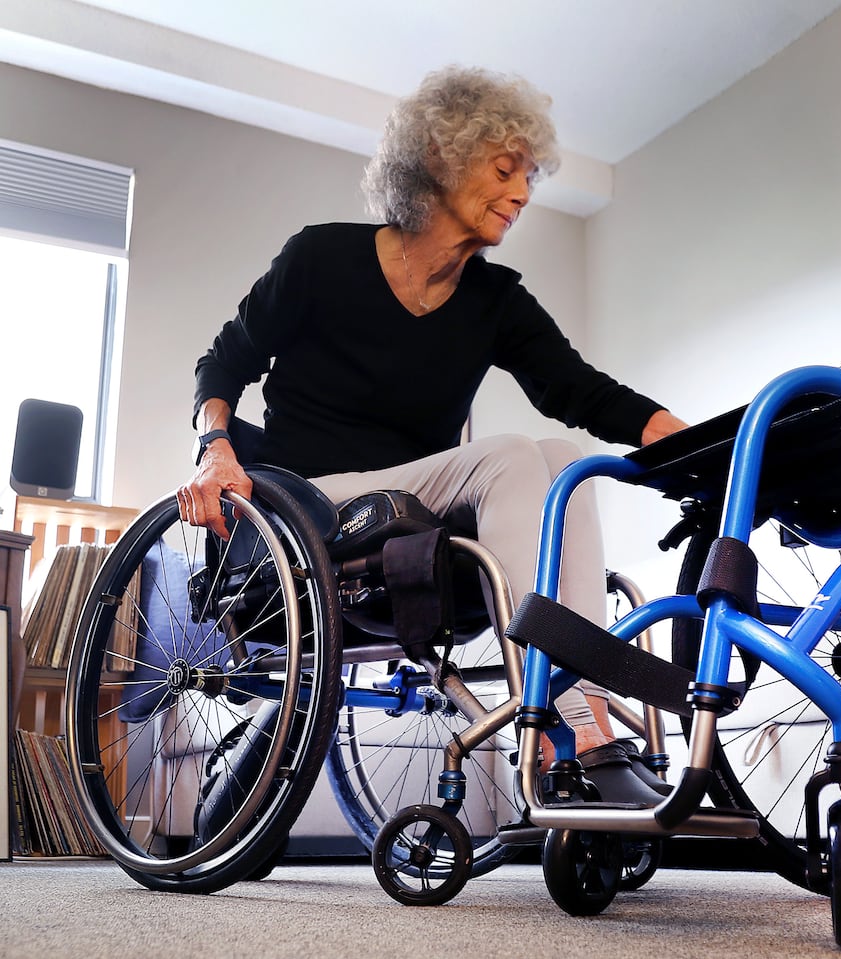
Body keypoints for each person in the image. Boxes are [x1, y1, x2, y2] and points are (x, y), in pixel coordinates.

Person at [177, 65, 687, 805]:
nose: (521, 193)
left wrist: (693, 440)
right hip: (312, 499)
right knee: (513, 453)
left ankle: (591, 721)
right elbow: (223, 363)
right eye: (505, 169)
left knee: (562, 456)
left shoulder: (494, 300)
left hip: (415, 509)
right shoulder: (321, 258)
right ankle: (564, 727)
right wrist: (215, 449)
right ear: (441, 158)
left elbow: (580, 391)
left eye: (529, 178)